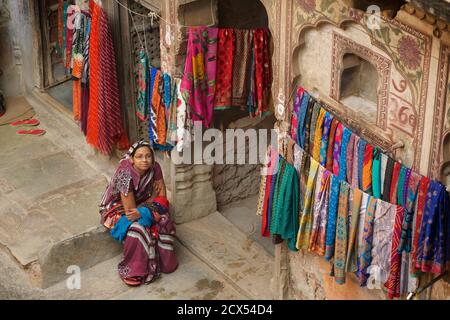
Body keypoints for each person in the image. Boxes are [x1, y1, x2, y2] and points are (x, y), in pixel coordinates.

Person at [99, 140, 178, 286]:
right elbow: (130, 211)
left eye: (148, 156)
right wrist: (152, 200)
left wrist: (149, 205)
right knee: (138, 228)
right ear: (131, 159)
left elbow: (162, 197)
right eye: (139, 156)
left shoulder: (155, 167)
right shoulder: (125, 173)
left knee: (164, 218)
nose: (145, 160)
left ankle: (165, 261)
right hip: (117, 207)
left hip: (141, 203)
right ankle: (133, 269)